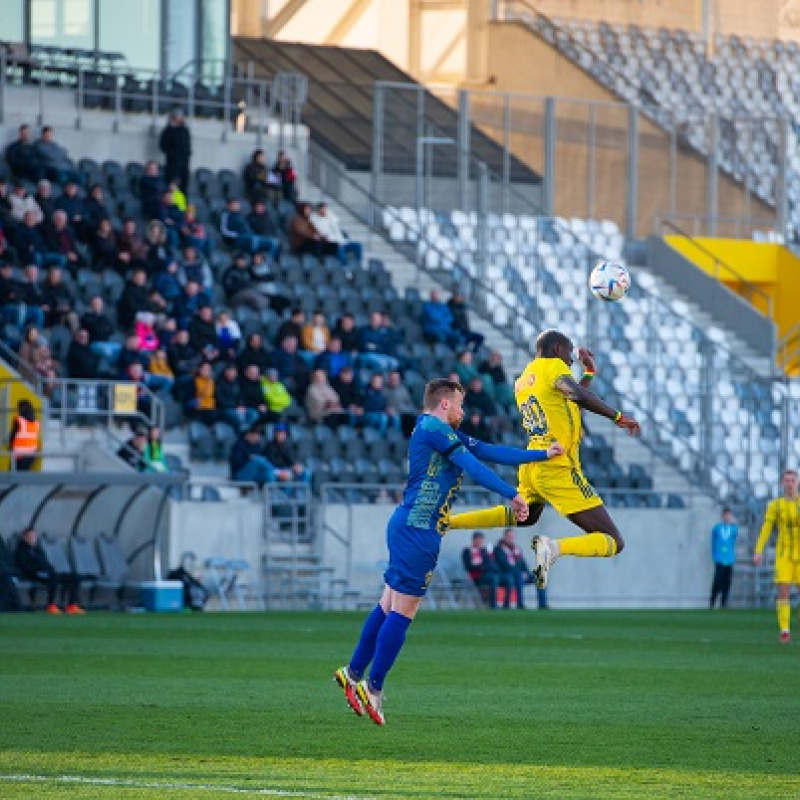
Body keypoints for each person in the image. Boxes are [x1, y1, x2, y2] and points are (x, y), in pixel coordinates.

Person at [333, 378, 564, 725]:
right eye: (460, 405)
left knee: (388, 605)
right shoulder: (435, 430)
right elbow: (473, 466)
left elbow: (487, 450)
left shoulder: (438, 431)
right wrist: (512, 493)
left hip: (408, 525)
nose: (463, 411)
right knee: (403, 611)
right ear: (444, 404)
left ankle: (352, 675)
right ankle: (374, 688)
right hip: (419, 530)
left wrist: (541, 454)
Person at [446, 330, 641, 590]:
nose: (571, 360)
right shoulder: (552, 368)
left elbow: (569, 401)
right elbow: (576, 396)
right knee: (613, 540)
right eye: (570, 353)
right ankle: (553, 548)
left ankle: (449, 521)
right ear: (558, 348)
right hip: (557, 464)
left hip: (533, 463)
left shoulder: (524, 379)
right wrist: (617, 416)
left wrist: (589, 374)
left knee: (526, 516)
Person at [753, 469, 800, 643]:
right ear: (782, 483)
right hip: (784, 555)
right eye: (786, 481)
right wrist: (759, 550)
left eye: (792, 480)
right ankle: (785, 629)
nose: (789, 484)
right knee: (783, 590)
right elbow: (766, 528)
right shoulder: (775, 505)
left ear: (798, 482)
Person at [14, 527, 84, 614]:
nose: (33, 538)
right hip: (33, 574)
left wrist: (49, 569)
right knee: (53, 578)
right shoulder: (21, 551)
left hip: (46, 572)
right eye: (31, 536)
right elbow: (24, 567)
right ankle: (51, 605)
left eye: (34, 536)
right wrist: (39, 569)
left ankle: (71, 605)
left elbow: (46, 562)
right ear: (24, 537)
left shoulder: (38, 550)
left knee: (75, 577)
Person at [494, 528, 546, 609]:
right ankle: (520, 604)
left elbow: (523, 563)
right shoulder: (498, 549)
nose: (511, 538)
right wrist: (520, 573)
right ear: (504, 537)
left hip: (519, 574)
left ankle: (542, 604)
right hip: (507, 574)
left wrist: (527, 573)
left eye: (512, 537)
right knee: (518, 577)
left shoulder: (517, 549)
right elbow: (503, 565)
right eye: (509, 536)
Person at [461, 532, 501, 608]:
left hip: (488, 573)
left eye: (481, 540)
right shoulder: (467, 551)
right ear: (474, 540)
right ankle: (493, 603)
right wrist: (480, 567)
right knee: (494, 579)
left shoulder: (484, 551)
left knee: (507, 578)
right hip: (477, 576)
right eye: (478, 540)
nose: (480, 542)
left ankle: (506, 604)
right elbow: (468, 566)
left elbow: (490, 563)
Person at [710, 508, 738, 609]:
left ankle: (723, 602)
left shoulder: (734, 529)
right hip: (719, 558)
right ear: (723, 516)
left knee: (727, 581)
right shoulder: (717, 528)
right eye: (726, 515)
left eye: (729, 515)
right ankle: (712, 601)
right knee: (718, 580)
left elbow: (733, 541)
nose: (728, 517)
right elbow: (713, 542)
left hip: (729, 558)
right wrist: (714, 554)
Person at [159, 109, 191, 192]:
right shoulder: (168, 130)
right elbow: (163, 146)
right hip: (173, 166)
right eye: (178, 116)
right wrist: (173, 154)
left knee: (183, 190)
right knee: (172, 190)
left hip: (184, 165)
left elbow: (187, 146)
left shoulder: (185, 130)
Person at [8, 399, 40, 471]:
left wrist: (10, 447)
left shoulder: (19, 420)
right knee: (24, 474)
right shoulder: (36, 422)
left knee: (12, 475)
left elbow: (13, 435)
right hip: (32, 453)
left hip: (19, 454)